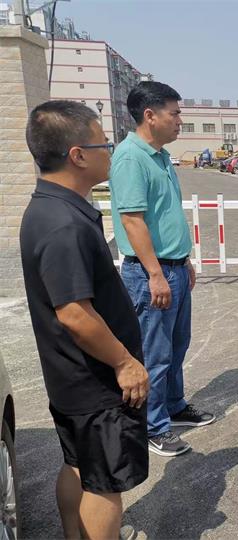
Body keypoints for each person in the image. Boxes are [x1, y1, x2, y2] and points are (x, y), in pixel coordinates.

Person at [20, 100, 149, 539]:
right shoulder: (64, 225)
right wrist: (124, 362)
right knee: (104, 484)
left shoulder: (49, 207)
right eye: (103, 144)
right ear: (77, 155)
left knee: (78, 464)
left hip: (70, 378)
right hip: (94, 381)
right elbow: (74, 313)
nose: (109, 152)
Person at [110, 81, 215, 457]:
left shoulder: (160, 155)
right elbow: (132, 221)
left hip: (173, 268)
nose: (180, 120)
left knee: (176, 344)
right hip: (149, 274)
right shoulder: (130, 157)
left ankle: (173, 405)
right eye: (175, 113)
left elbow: (164, 217)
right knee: (154, 353)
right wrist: (155, 273)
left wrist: (182, 261)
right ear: (150, 116)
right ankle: (154, 426)